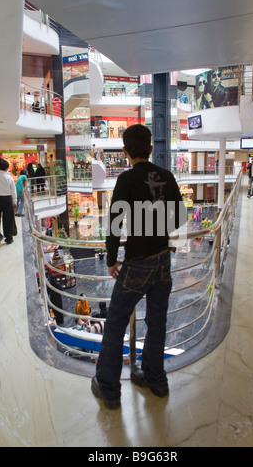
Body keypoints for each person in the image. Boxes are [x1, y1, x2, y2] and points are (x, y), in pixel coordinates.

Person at [91, 124, 185, 409]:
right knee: (157, 322)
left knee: (116, 322)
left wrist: (110, 260)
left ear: (125, 151)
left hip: (136, 263)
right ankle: (156, 380)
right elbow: (179, 219)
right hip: (162, 261)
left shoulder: (126, 180)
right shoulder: (167, 177)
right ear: (151, 148)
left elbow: (115, 226)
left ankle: (108, 388)